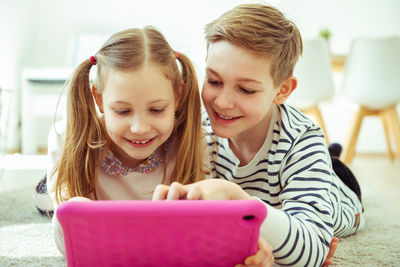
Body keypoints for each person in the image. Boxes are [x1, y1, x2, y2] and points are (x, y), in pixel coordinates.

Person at [37, 26, 272, 266]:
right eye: (122, 111)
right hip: (70, 185)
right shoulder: (65, 135)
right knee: (54, 202)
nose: (139, 127)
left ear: (178, 96)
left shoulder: (192, 141)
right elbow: (68, 240)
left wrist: (246, 247)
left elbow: (202, 230)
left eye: (156, 110)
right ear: (98, 98)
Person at [153, 4, 364, 267]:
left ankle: (332, 159)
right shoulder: (200, 132)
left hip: (339, 192)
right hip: (278, 187)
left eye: (246, 89)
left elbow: (312, 250)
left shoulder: (302, 139)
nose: (222, 102)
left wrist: (236, 198)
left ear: (282, 90)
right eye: (215, 81)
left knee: (335, 175)